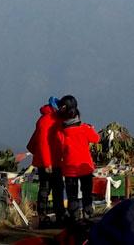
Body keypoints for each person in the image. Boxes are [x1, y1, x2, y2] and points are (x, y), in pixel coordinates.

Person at [25, 97, 65, 228]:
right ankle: (50, 217)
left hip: (49, 161)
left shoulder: (46, 119)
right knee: (51, 189)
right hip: (49, 162)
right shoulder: (48, 121)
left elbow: (34, 144)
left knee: (47, 189)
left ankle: (46, 216)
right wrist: (48, 163)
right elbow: (43, 143)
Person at [56, 107, 100, 222]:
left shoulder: (61, 133)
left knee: (72, 195)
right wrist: (91, 129)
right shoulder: (85, 128)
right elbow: (96, 138)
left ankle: (74, 215)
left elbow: (60, 148)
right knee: (87, 192)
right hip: (85, 167)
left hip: (69, 168)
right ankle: (88, 212)